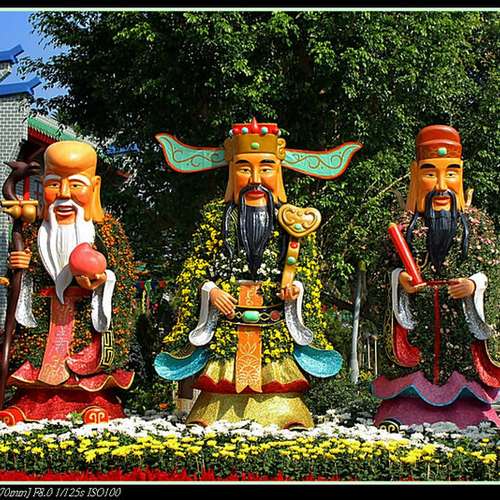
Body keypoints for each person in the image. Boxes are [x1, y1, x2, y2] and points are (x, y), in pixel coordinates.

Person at [155, 118, 361, 428]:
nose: (255, 179)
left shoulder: (293, 220)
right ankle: (214, 412)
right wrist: (211, 290)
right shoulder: (216, 218)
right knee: (220, 384)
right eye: (244, 168)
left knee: (277, 381)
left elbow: (306, 271)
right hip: (229, 321)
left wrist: (296, 289)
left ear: (278, 171)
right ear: (231, 170)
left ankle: (285, 413)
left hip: (272, 320)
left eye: (265, 168)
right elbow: (193, 268)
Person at [372, 125, 500, 428]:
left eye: (451, 173)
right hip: (418, 326)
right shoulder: (403, 227)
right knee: (410, 387)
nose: (442, 186)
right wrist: (398, 281)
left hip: (460, 332)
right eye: (430, 174)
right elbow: (379, 276)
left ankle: (470, 410)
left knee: (465, 383)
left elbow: (494, 273)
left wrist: (474, 285)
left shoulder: (477, 225)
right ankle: (406, 408)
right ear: (416, 174)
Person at [0, 141, 135, 424]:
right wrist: (20, 268)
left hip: (84, 320)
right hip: (46, 318)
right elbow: (24, 281)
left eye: (75, 185)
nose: (63, 194)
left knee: (85, 365)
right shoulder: (34, 230)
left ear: (94, 187)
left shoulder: (106, 231)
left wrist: (103, 281)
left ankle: (90, 404)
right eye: (53, 184)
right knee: (35, 366)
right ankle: (29, 405)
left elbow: (122, 279)